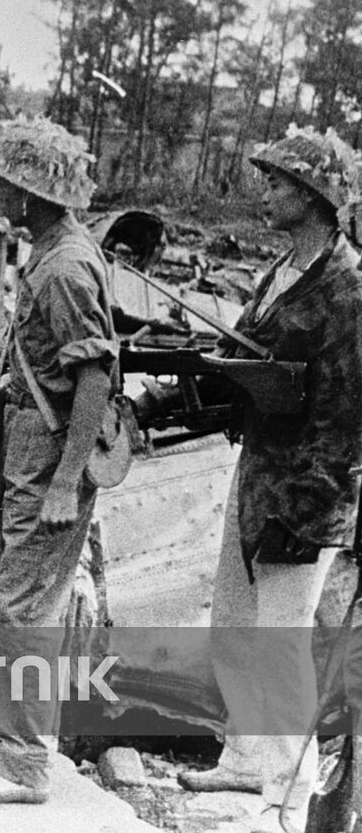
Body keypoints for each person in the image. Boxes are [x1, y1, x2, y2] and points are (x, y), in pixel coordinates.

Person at [171, 127, 362, 833]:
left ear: (314, 197)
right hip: (258, 474)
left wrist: (308, 507)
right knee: (234, 623)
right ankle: (243, 754)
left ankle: (292, 793)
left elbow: (347, 417)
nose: (266, 191)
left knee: (280, 641)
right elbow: (238, 357)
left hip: (308, 492)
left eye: (279, 182)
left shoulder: (347, 289)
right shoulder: (280, 270)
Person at [0, 117, 118, 805]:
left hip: (51, 456)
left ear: (35, 193)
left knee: (26, 608)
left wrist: (65, 481)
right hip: (30, 446)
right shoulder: (52, 252)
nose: (3, 195)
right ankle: (8, 730)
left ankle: (22, 766)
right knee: (16, 596)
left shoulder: (68, 266)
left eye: (11, 185)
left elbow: (96, 378)